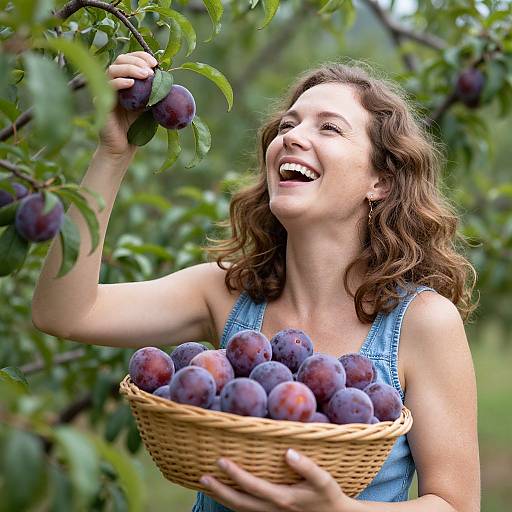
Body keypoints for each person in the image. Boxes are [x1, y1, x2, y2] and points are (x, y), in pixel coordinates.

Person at [32, 51, 481, 512]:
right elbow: (62, 312)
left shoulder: (422, 322)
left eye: (328, 128)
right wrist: (112, 153)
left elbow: (457, 503)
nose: (292, 138)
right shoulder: (225, 294)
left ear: (380, 182)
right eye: (287, 126)